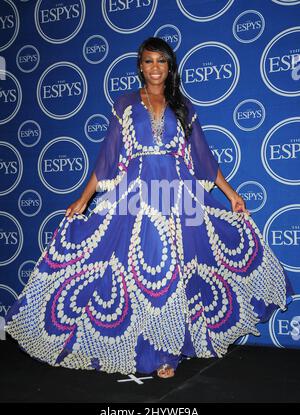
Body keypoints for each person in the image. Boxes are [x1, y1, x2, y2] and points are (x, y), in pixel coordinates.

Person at [5, 37, 294, 379]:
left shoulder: (183, 105)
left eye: (161, 61)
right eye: (148, 61)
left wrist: (230, 193)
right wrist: (84, 198)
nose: (155, 67)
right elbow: (107, 156)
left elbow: (202, 158)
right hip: (136, 196)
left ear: (169, 67)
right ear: (140, 66)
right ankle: (148, 350)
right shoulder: (125, 103)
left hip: (178, 195)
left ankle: (167, 354)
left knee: (175, 271)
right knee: (149, 269)